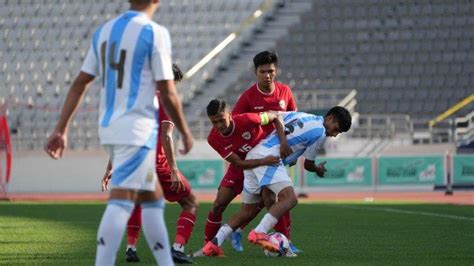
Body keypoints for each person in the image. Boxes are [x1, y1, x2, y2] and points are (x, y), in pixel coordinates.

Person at [45, 1, 193, 265]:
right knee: (122, 201)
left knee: (151, 199)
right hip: (136, 129)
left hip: (112, 127)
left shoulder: (104, 31)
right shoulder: (154, 32)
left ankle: (166, 261)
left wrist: (61, 128)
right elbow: (168, 91)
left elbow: (80, 83)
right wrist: (185, 130)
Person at [203, 107, 352, 257]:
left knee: (247, 211)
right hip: (270, 158)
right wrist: (318, 169)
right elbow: (308, 164)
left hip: (254, 155)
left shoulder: (302, 115)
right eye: (336, 130)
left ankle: (213, 244)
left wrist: (284, 142)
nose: (334, 135)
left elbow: (277, 116)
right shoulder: (320, 132)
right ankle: (259, 232)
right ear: (330, 119)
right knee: (290, 199)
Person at [101, 65, 195, 264]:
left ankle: (131, 248)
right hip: (158, 164)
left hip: (133, 163)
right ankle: (177, 249)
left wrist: (111, 165)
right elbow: (166, 136)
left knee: (136, 203)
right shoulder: (168, 100)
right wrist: (174, 170)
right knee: (190, 202)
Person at [193, 99, 292, 257]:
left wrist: (283, 142)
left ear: (230, 115)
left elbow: (275, 116)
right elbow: (238, 163)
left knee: (270, 200)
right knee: (218, 204)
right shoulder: (213, 138)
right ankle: (209, 247)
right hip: (242, 165)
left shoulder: (248, 119)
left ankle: (287, 245)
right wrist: (262, 161)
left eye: (221, 120)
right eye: (214, 122)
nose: (219, 125)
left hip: (263, 162)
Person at [230, 50, 299, 253]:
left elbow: (293, 120)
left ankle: (280, 239)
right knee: (270, 200)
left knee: (275, 199)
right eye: (263, 71)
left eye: (270, 71)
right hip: (256, 156)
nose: (267, 75)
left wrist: (292, 151)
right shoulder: (249, 96)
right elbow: (235, 120)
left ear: (275, 71)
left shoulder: (285, 92)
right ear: (256, 72)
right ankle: (275, 239)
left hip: (279, 154)